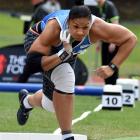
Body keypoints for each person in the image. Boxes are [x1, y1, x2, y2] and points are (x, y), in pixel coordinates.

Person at [16, 5, 137, 140]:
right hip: (37, 43)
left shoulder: (98, 28)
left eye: (85, 28)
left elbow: (130, 39)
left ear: (90, 24)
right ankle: (67, 136)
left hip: (68, 51)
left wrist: (112, 67)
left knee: (52, 105)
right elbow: (34, 63)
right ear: (68, 23)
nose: (80, 32)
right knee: (67, 77)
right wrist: (62, 54)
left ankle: (26, 101)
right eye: (76, 27)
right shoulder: (54, 29)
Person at [96, 0, 120, 84]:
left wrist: (113, 42)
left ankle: (114, 89)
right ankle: (107, 89)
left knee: (112, 66)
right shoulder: (100, 7)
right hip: (105, 42)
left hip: (112, 42)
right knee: (105, 65)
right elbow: (101, 27)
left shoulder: (109, 6)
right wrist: (99, 42)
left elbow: (115, 24)